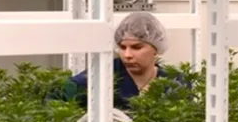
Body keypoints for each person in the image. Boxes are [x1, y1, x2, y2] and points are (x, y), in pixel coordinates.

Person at [54, 11, 186, 113]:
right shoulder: (103, 76)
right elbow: (58, 97)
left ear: (156, 49)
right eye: (122, 47)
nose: (127, 55)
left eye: (137, 47)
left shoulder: (175, 82)